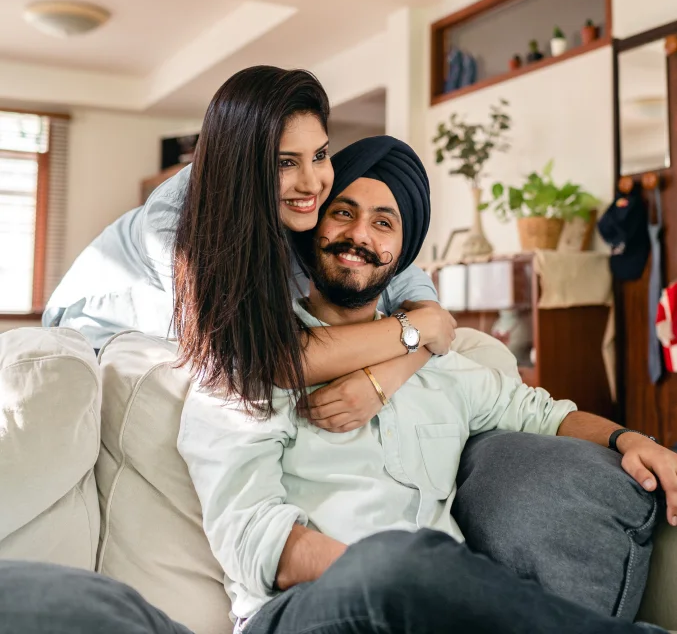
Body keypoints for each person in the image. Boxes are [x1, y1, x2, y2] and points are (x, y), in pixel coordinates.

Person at [177, 135, 677, 634]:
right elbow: (252, 535)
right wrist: (402, 580)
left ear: (402, 251)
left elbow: (545, 413)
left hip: (439, 608)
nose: (359, 235)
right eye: (343, 213)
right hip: (305, 611)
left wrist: (631, 440)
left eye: (383, 223)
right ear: (312, 228)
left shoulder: (440, 369)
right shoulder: (247, 363)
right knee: (402, 562)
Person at [43, 66, 455, 409]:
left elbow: (415, 296)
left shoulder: (301, 207)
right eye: (285, 163)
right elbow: (269, 360)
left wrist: (390, 374)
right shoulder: (177, 226)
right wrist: (407, 342)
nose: (312, 184)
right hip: (94, 337)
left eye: (319, 155)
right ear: (243, 163)